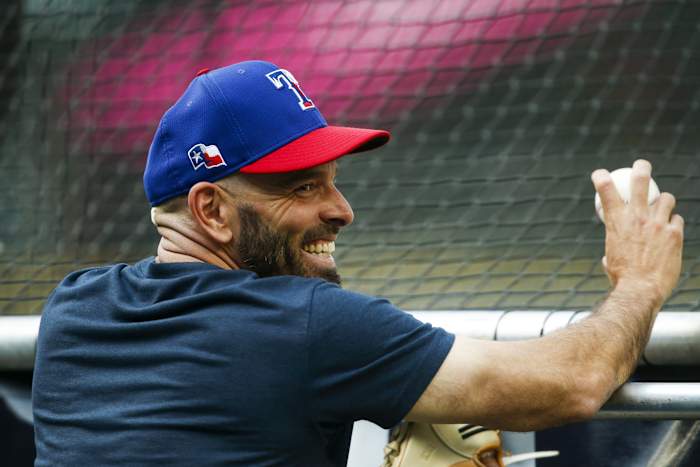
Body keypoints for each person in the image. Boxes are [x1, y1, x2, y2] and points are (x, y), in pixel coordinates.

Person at [32, 60, 684, 467]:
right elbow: (575, 381)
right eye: (304, 186)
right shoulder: (305, 325)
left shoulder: (73, 310)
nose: (342, 209)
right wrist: (640, 283)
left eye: (334, 181)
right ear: (212, 209)